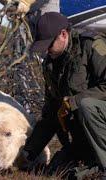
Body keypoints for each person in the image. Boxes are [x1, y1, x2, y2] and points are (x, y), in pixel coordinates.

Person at [21, 11, 106, 179]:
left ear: (63, 34)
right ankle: (93, 164)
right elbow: (51, 113)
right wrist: (28, 152)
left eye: (49, 44)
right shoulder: (51, 65)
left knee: (86, 105)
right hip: (85, 138)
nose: (46, 51)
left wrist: (74, 102)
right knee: (56, 171)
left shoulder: (92, 46)